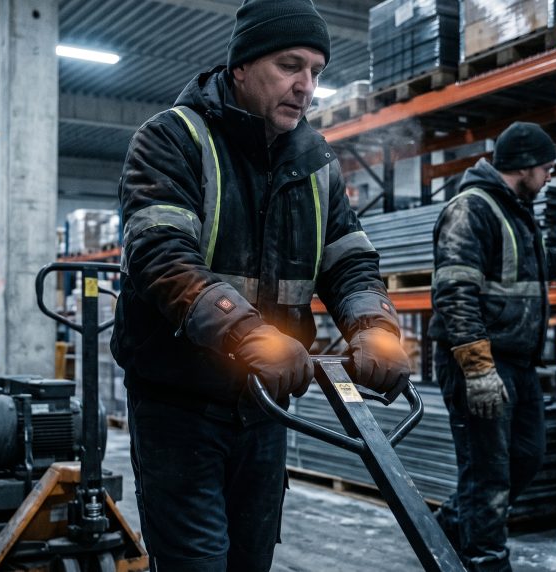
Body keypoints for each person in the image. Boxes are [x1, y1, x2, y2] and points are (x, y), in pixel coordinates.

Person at [111, 1, 412, 570]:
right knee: (197, 563)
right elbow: (161, 255)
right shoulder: (172, 140)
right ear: (242, 67)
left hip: (267, 407)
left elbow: (348, 260)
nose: (306, 86)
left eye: (316, 71)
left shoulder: (316, 162)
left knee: (250, 561)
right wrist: (246, 332)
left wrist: (374, 327)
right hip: (180, 405)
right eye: (289, 65)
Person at [429, 121, 556, 571]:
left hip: (516, 361)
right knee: (488, 471)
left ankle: (452, 524)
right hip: (480, 360)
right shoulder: (472, 209)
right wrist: (478, 369)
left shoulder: (515, 210)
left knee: (526, 456)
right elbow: (455, 293)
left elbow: (535, 266)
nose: (550, 175)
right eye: (547, 167)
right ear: (524, 167)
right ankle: (486, 562)